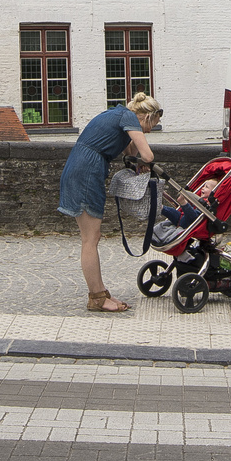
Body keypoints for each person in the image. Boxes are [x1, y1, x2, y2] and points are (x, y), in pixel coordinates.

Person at [58, 92, 161, 312]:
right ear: (146, 117)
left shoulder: (119, 114)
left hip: (83, 167)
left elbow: (130, 152)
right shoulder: (129, 118)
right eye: (153, 125)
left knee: (92, 237)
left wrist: (136, 161)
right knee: (90, 239)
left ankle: (101, 293)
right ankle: (96, 298)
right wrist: (143, 160)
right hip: (86, 172)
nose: (150, 131)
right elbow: (148, 156)